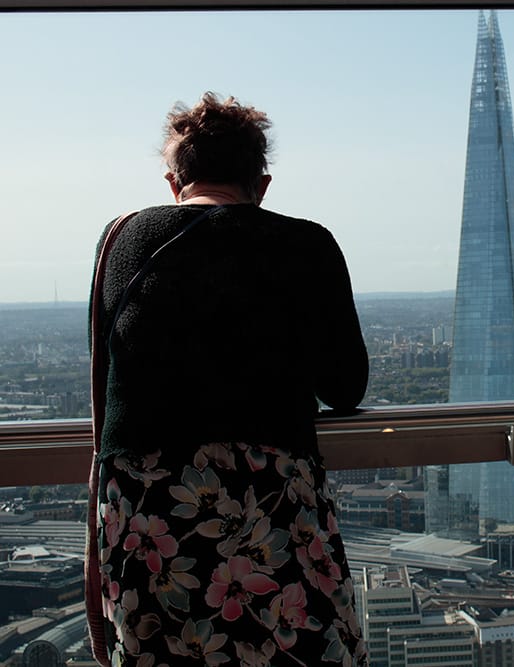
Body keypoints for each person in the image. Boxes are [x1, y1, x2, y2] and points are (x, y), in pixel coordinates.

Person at [87, 92, 370, 667]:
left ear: (174, 183)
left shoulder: (120, 240)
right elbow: (345, 387)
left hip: (149, 506)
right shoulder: (307, 243)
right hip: (272, 497)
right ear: (260, 184)